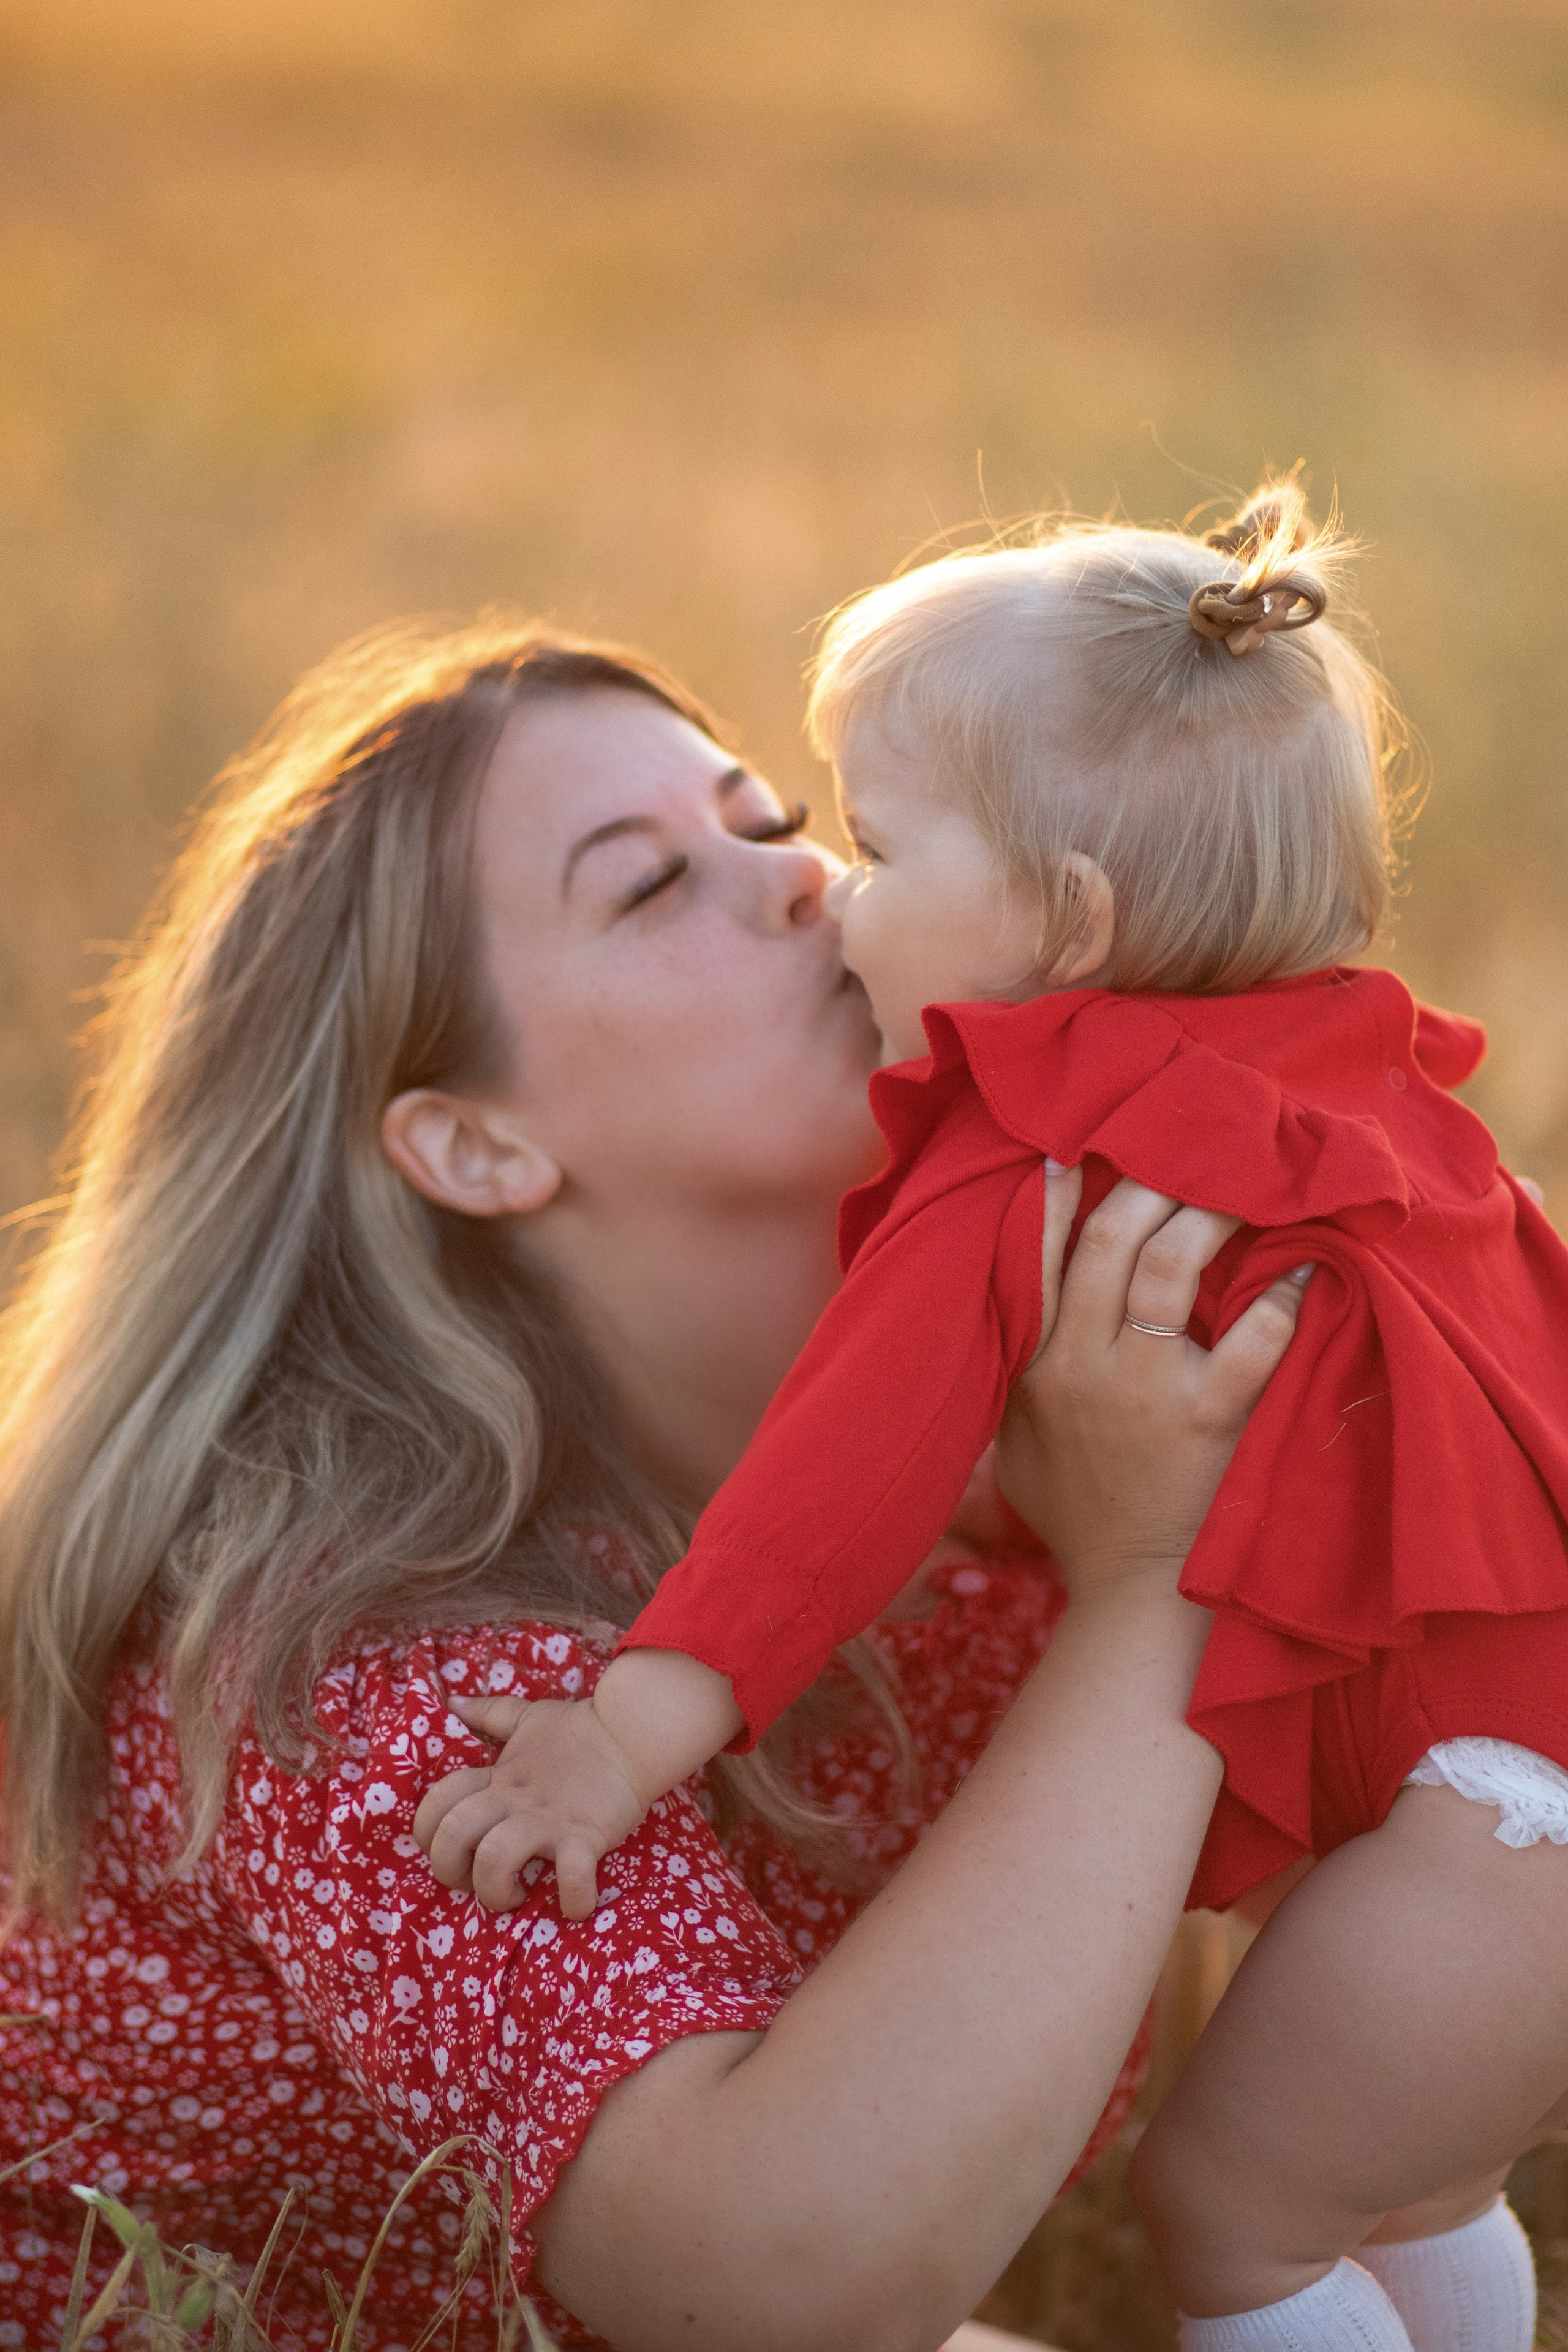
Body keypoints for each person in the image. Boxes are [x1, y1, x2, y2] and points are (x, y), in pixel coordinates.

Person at [0, 620, 1307, 2350]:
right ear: (473, 1143)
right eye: (643, 888)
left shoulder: (1003, 1417)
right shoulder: (360, 1647)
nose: (794, 882)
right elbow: (761, 2281)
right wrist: (1156, 1587)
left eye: (769, 819)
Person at [421, 488, 1568, 2352]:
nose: (834, 892)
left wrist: (626, 1738)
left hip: (1481, 1815)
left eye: (869, 843)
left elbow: (832, 1493)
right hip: (1519, 1780)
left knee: (1235, 2212)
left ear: (1066, 918)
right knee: (1412, 2180)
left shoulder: (1029, 1149)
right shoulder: (1363, 1079)